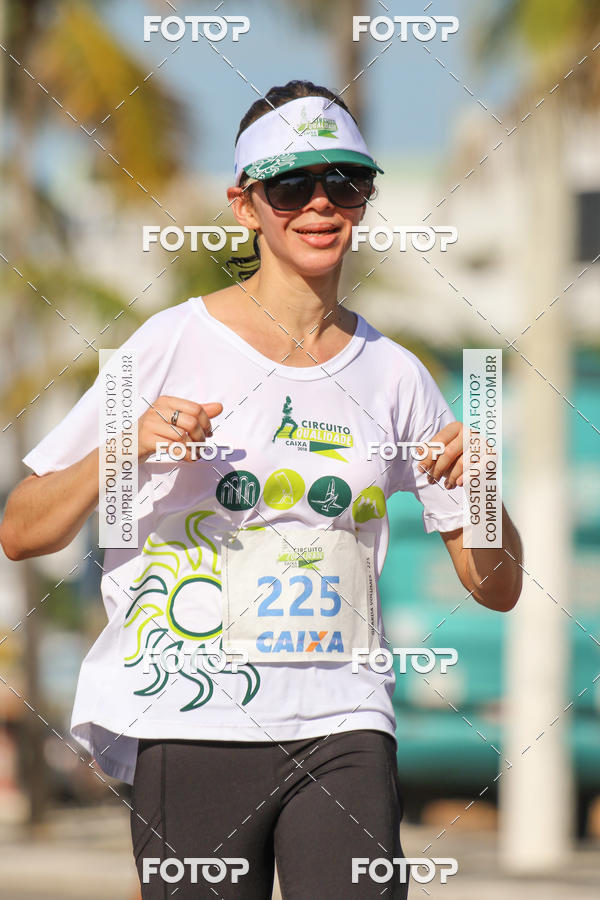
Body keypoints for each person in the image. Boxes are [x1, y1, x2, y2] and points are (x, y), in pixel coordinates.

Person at [0, 79, 523, 899]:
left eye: (344, 182)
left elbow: (494, 589)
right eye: (292, 186)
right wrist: (124, 446)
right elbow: (21, 530)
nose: (321, 205)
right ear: (246, 205)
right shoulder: (167, 344)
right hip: (192, 717)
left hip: (346, 719)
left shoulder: (396, 375)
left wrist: (485, 490)